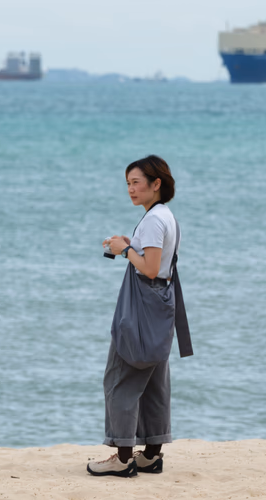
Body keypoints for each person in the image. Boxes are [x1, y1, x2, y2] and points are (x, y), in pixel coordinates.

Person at [88, 155, 181, 477]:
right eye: (128, 183)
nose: (131, 189)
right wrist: (131, 246)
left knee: (120, 377)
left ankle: (123, 456)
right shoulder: (164, 215)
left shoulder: (154, 220)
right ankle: (151, 454)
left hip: (142, 304)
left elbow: (151, 268)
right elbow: (158, 262)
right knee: (155, 380)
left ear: (157, 184)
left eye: (136, 182)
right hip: (160, 303)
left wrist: (124, 251)